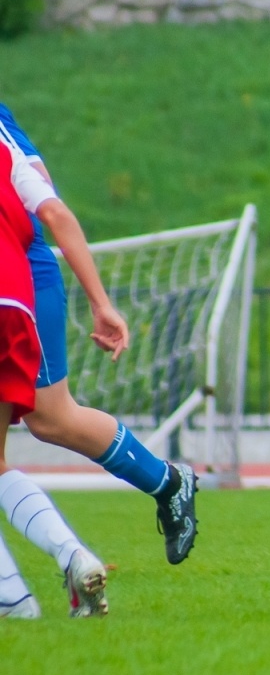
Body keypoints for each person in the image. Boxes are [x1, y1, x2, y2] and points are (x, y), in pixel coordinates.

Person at [0, 105, 198, 565]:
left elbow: (44, 199)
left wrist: (101, 302)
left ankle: (165, 484)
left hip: (18, 275)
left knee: (52, 418)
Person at [0, 135, 109, 618]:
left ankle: (13, 599)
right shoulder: (6, 145)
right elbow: (56, 213)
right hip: (15, 305)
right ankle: (73, 556)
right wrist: (102, 304)